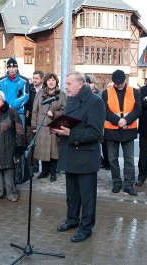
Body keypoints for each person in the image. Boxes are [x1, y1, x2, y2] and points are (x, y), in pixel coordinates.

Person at [52, 71, 105, 243]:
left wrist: (70, 132)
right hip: (70, 154)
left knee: (87, 196)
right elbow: (70, 122)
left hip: (86, 157)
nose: (65, 86)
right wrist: (57, 129)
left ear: (80, 84)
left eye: (68, 83)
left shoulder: (95, 101)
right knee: (72, 193)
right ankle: (72, 219)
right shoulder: (72, 99)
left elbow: (96, 133)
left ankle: (86, 227)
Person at [102, 69, 141, 196]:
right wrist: (119, 121)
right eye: (116, 83)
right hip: (112, 130)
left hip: (128, 131)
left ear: (125, 80)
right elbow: (105, 111)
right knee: (112, 159)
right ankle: (117, 183)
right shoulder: (106, 93)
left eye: (120, 83)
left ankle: (129, 185)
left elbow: (138, 110)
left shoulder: (134, 91)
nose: (118, 85)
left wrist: (126, 121)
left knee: (129, 159)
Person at [31, 72, 66, 182]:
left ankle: (53, 172)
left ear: (56, 82)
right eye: (49, 80)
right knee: (43, 150)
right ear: (46, 82)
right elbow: (35, 110)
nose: (51, 82)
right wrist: (33, 126)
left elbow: (65, 111)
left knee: (54, 151)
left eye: (53, 80)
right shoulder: (40, 93)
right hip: (41, 125)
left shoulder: (61, 95)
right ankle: (44, 171)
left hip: (55, 126)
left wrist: (54, 114)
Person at [0, 57, 29, 127]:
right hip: (4, 112)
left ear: (17, 68)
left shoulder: (24, 80)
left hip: (19, 112)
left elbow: (25, 96)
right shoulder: (1, 81)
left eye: (13, 67)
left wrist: (12, 106)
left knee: (20, 134)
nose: (12, 69)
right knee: (6, 135)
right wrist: (6, 106)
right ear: (7, 68)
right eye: (9, 67)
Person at [25, 70, 44, 173]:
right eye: (34, 78)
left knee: (42, 144)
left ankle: (46, 168)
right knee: (30, 143)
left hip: (42, 121)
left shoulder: (45, 90)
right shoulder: (29, 89)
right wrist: (25, 111)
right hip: (30, 121)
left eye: (37, 78)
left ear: (42, 79)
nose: (34, 80)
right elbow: (25, 101)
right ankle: (33, 165)